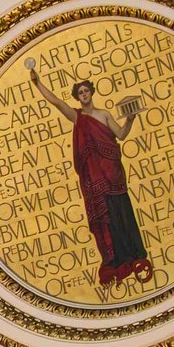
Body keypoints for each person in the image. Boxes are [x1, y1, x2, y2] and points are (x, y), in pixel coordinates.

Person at [27, 56, 152, 290]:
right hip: (96, 179)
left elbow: (121, 135)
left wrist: (130, 119)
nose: (84, 95)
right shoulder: (78, 117)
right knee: (108, 217)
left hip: (113, 173)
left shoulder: (104, 114)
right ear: (77, 97)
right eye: (80, 93)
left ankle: (136, 254)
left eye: (86, 91)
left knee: (123, 213)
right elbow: (56, 102)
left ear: (91, 93)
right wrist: (37, 83)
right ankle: (116, 259)